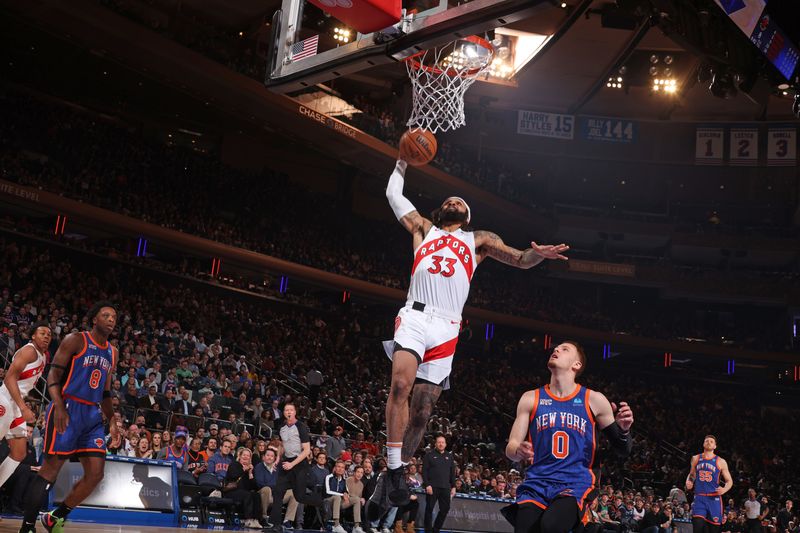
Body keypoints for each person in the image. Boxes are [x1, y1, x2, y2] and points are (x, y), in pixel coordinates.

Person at [371, 159, 570, 516]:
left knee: (422, 412)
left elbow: (521, 259)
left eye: (461, 202)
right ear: (442, 210)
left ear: (467, 215)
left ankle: (387, 483)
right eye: (450, 200)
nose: (455, 201)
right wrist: (402, 161)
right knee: (400, 385)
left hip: (447, 326)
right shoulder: (423, 228)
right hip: (416, 315)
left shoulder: (478, 240)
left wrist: (539, 256)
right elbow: (392, 193)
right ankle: (397, 471)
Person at [503, 341, 634, 533]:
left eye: (564, 349)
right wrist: (518, 451)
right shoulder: (531, 398)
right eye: (556, 348)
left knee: (551, 526)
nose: (556, 350)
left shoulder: (593, 399)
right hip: (537, 481)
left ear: (577, 365)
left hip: (574, 483)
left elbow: (623, 450)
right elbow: (511, 448)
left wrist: (623, 430)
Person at [19, 302, 120, 533]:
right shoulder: (76, 340)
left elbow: (105, 391)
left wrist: (112, 419)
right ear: (94, 319)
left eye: (114, 317)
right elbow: (53, 373)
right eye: (105, 315)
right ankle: (26, 527)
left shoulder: (112, 352)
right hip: (68, 407)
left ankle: (56, 517)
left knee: (96, 474)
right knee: (49, 470)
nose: (111, 320)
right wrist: (59, 406)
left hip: (93, 415)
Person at [0, 322, 49, 491]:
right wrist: (23, 407)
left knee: (19, 453)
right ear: (33, 336)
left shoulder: (44, 356)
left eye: (49, 335)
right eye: (42, 333)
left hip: (16, 404)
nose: (46, 337)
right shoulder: (29, 350)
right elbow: (9, 379)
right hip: (5, 400)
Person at [266, 403, 323, 532]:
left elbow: (307, 450)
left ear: (295, 412)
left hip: (299, 464)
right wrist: (278, 459)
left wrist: (292, 464)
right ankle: (276, 525)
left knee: (300, 497)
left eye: (291, 410)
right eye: (286, 410)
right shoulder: (282, 427)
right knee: (278, 491)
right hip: (286, 462)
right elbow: (282, 444)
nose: (288, 412)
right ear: (284, 413)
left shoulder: (301, 427)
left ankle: (321, 502)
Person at [685, 435, 733, 533]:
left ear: (715, 446)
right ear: (703, 444)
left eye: (711, 441)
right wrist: (689, 481)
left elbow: (729, 481)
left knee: (713, 530)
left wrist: (724, 489)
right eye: (707, 441)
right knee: (697, 527)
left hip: (714, 498)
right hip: (699, 497)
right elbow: (692, 474)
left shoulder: (721, 461)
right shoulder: (696, 458)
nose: (709, 442)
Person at [422, 435, 456, 533]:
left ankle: (436, 529)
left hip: (445, 488)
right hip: (432, 487)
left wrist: (453, 486)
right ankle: (428, 530)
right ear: (435, 444)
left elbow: (452, 473)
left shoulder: (449, 457)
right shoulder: (429, 455)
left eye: (443, 442)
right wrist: (427, 485)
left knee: (445, 509)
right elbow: (424, 472)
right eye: (439, 442)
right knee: (429, 509)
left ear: (445, 444)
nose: (441, 444)